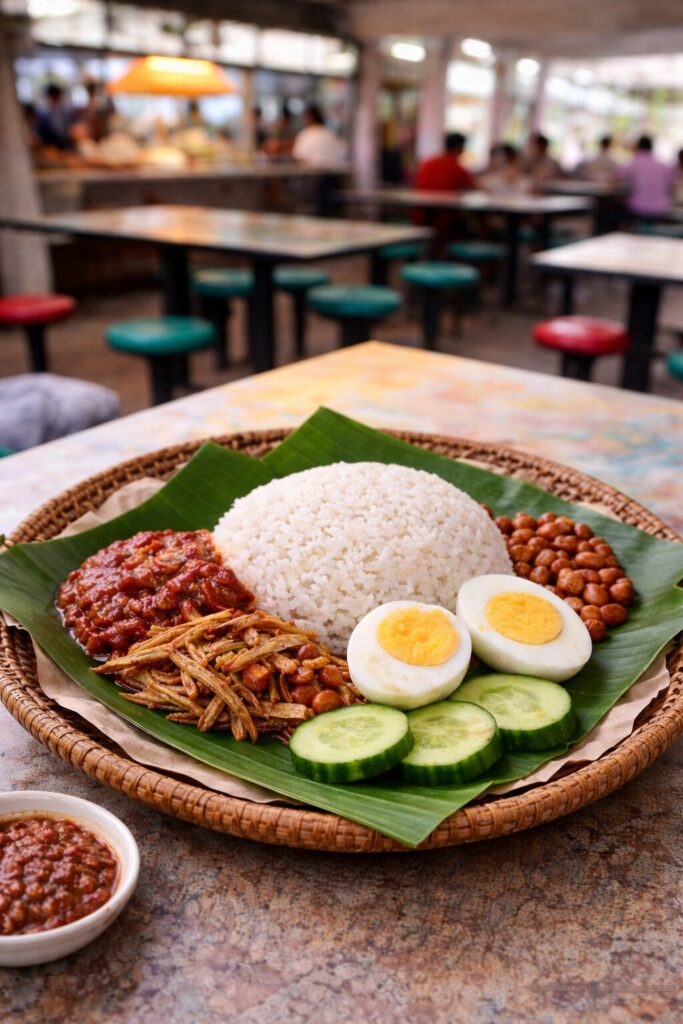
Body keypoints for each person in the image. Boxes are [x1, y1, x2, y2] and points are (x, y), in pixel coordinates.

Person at [621, 136, 673, 219]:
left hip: (638, 207)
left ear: (638, 147)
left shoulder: (634, 162)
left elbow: (618, 176)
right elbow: (670, 184)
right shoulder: (662, 163)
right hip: (661, 208)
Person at [35, 83, 76, 151]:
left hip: (66, 144)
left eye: (57, 96)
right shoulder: (43, 113)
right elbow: (42, 133)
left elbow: (71, 127)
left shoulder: (66, 111)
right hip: (51, 146)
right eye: (54, 96)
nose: (57, 99)